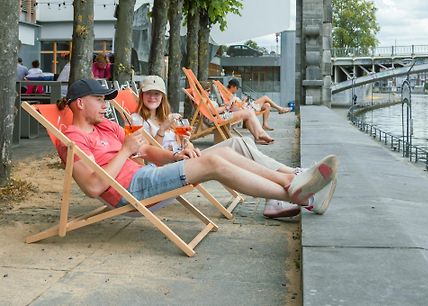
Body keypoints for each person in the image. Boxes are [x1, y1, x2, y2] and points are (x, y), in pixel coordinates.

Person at [56, 78, 337, 218]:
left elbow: (149, 152)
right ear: (80, 103)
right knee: (213, 164)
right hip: (129, 190)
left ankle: (291, 183)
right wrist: (124, 151)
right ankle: (300, 194)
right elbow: (93, 188)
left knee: (223, 152)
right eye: (100, 99)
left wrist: (174, 155)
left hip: (145, 177)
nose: (106, 105)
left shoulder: (106, 126)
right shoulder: (72, 139)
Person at [202, 80, 274, 145]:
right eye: (207, 90)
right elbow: (213, 111)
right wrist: (226, 107)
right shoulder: (203, 100)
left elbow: (215, 110)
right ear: (201, 91)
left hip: (221, 115)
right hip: (217, 119)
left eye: (209, 91)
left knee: (249, 113)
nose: (209, 92)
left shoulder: (206, 99)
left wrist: (228, 106)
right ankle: (260, 134)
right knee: (249, 112)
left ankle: (258, 137)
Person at [227, 78, 291, 131]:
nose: (237, 90)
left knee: (267, 105)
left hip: (246, 107)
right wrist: (243, 102)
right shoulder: (228, 95)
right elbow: (234, 107)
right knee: (265, 97)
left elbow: (235, 105)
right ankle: (280, 109)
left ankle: (265, 125)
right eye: (237, 88)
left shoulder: (230, 94)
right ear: (233, 86)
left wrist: (244, 102)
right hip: (246, 110)